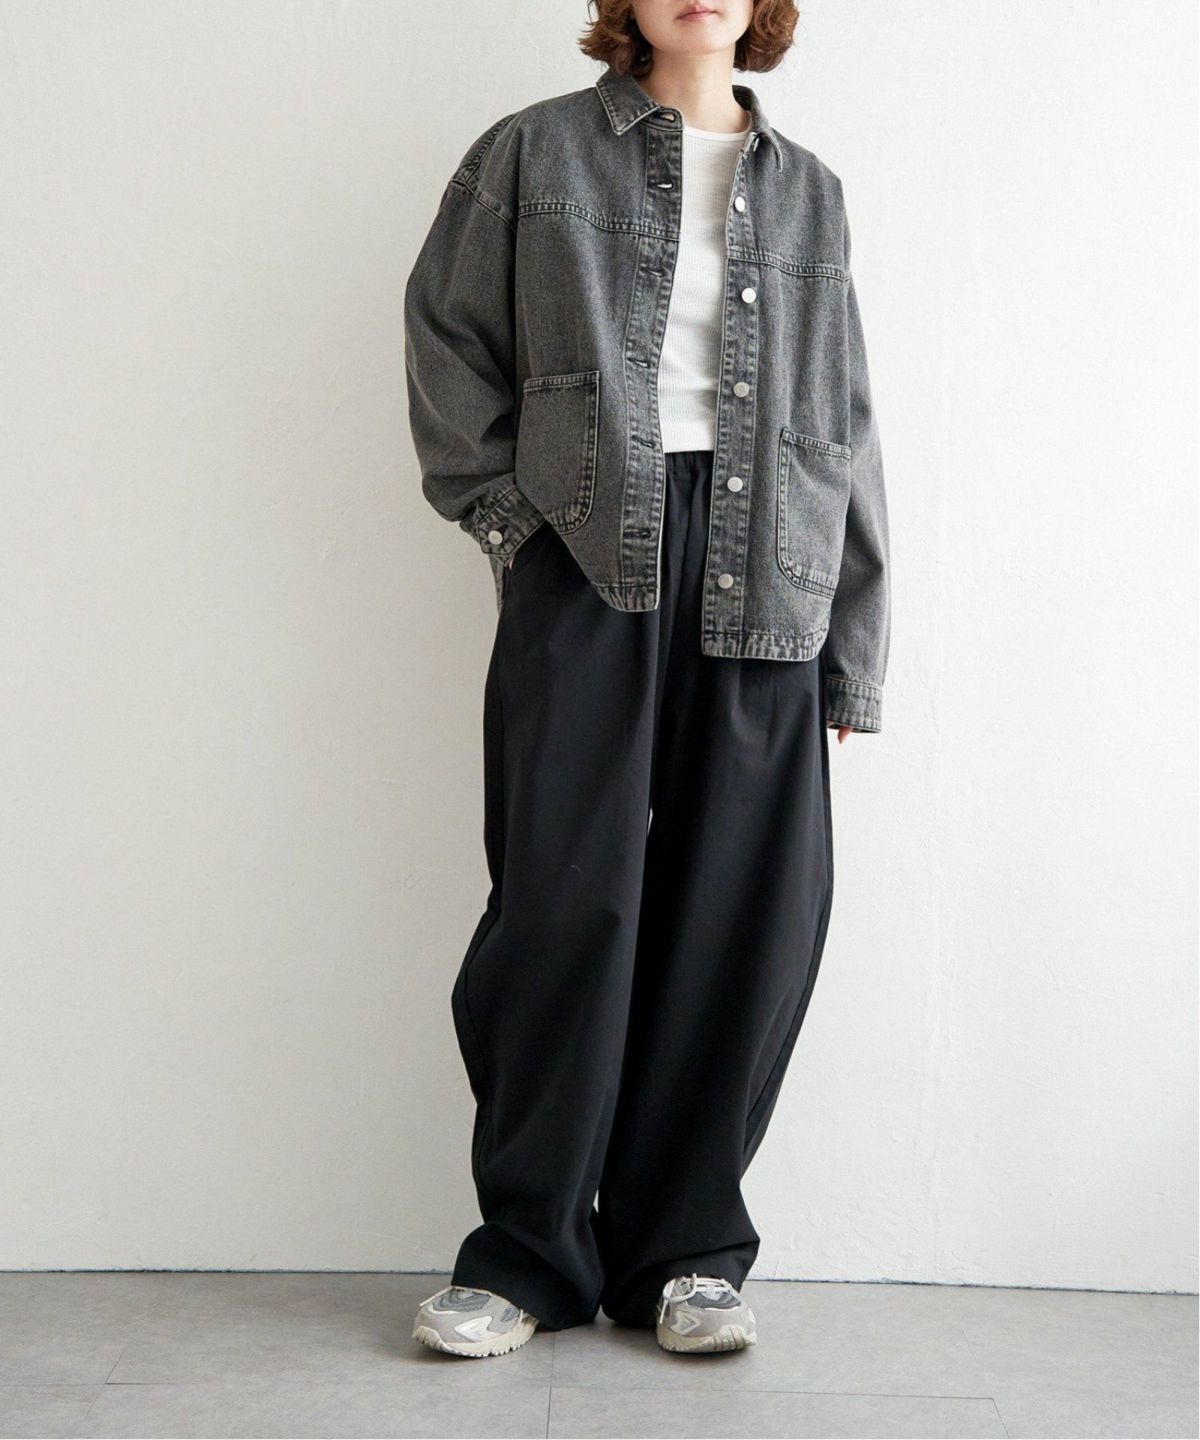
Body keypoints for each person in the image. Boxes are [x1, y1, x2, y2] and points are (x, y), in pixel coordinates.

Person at [402, 0, 890, 1358]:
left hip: (768, 563)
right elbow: (446, 335)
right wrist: (512, 521)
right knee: (564, 904)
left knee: (745, 918)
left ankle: (684, 1258)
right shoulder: (533, 153)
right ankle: (528, 1258)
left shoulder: (812, 191)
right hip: (587, 553)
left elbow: (842, 418)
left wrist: (853, 637)